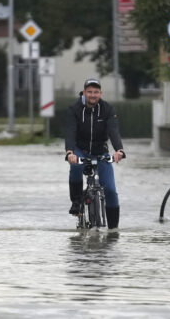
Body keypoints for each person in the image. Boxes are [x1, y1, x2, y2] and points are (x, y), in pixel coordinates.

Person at [65, 78, 125, 229]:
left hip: (100, 152)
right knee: (76, 167)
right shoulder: (75, 109)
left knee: (110, 189)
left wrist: (119, 150)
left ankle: (113, 229)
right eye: (90, 92)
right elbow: (70, 132)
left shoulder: (107, 109)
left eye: (96, 92)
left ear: (100, 93)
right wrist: (70, 152)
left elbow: (113, 131)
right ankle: (77, 202)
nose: (93, 95)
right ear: (84, 92)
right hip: (80, 150)